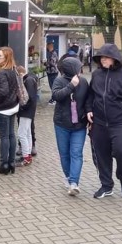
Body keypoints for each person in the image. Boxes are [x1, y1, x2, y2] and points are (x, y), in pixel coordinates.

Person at [86, 44, 122, 199]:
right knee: (101, 155)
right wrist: (88, 109)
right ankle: (106, 185)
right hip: (99, 123)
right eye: (101, 57)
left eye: (105, 57)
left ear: (114, 58)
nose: (102, 60)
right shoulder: (97, 75)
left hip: (121, 123)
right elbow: (90, 95)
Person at [52, 56, 90, 196]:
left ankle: (74, 182)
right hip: (62, 124)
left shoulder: (84, 82)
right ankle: (68, 177)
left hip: (79, 125)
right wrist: (70, 86)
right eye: (78, 67)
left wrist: (89, 113)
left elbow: (88, 100)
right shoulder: (59, 80)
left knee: (76, 153)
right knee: (64, 154)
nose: (81, 69)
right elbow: (56, 96)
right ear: (72, 69)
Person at [0, 47, 20, 175]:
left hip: (3, 108)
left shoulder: (2, 73)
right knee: (11, 134)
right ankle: (12, 163)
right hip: (13, 106)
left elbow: (4, 91)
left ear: (6, 58)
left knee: (4, 137)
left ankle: (4, 165)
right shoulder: (14, 70)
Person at [16, 65, 38, 166]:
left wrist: (22, 108)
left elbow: (30, 98)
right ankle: (27, 154)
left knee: (21, 134)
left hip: (26, 112)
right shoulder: (31, 79)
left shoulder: (27, 81)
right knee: (27, 133)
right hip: (29, 111)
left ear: (20, 74)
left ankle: (26, 158)